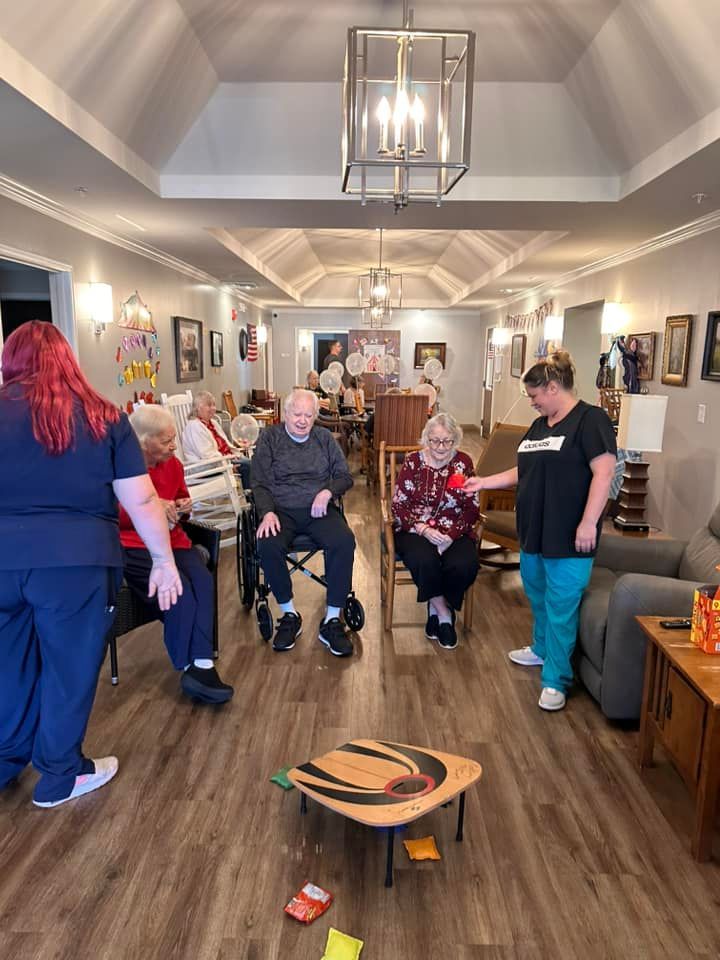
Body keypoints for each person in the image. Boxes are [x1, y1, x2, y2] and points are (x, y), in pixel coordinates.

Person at [0, 321, 182, 808]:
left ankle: (5, 760)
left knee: (7, 663)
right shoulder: (103, 416)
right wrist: (163, 561)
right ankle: (59, 776)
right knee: (69, 667)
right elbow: (142, 500)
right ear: (68, 359)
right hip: (76, 565)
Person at [463, 351, 616, 712]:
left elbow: (604, 474)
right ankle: (541, 648)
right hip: (533, 529)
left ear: (552, 387)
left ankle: (555, 679)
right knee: (537, 593)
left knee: (562, 605)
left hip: (569, 534)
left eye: (534, 396)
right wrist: (484, 481)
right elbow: (523, 470)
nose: (531, 402)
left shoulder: (590, 421)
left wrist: (588, 522)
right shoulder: (540, 425)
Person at [121, 406, 234, 704]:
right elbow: (115, 518)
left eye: (174, 439)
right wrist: (153, 506)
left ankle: (202, 664)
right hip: (135, 545)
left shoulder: (173, 465)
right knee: (180, 590)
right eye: (166, 440)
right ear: (143, 441)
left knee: (203, 581)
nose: (174, 446)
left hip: (174, 540)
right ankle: (188, 665)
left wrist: (183, 508)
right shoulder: (121, 469)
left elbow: (182, 502)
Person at [251, 389, 357, 657]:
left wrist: (327, 491)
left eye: (308, 415)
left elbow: (344, 476)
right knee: (267, 544)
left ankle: (332, 619)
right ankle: (289, 614)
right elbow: (259, 482)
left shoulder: (323, 438)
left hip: (319, 510)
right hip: (280, 510)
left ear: (315, 416)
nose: (302, 420)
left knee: (344, 540)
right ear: (285, 414)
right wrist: (267, 512)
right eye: (296, 414)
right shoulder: (270, 438)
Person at [391, 413, 480, 650]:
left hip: (455, 529)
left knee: (463, 563)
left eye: (447, 441)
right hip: (415, 529)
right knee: (425, 560)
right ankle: (443, 614)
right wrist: (422, 529)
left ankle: (434, 607)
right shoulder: (413, 462)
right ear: (426, 439)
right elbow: (398, 504)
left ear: (455, 440)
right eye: (434, 441)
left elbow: (472, 508)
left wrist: (450, 536)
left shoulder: (463, 463)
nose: (440, 447)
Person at [181, 390, 251, 488]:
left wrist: (235, 455)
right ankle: (251, 498)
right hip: (206, 467)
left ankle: (255, 497)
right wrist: (228, 465)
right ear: (198, 408)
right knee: (247, 466)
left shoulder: (213, 423)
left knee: (255, 463)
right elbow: (207, 455)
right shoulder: (194, 427)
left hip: (223, 461)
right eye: (209, 405)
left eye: (214, 405)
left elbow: (225, 445)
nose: (213, 408)